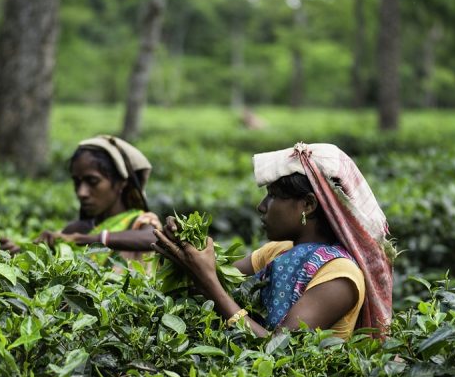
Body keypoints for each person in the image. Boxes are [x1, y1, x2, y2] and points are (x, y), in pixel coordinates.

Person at [153, 142, 394, 339]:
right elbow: (208, 281)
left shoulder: (340, 275)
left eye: (274, 196)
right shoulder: (277, 251)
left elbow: (279, 348)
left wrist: (208, 281)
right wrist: (183, 242)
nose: (262, 206)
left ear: (308, 205)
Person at [0, 135, 161, 264]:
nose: (81, 192)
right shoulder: (76, 229)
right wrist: (18, 253)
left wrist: (86, 240)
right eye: (77, 182)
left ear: (120, 183)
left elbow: (154, 238)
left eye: (93, 181)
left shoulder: (140, 223)